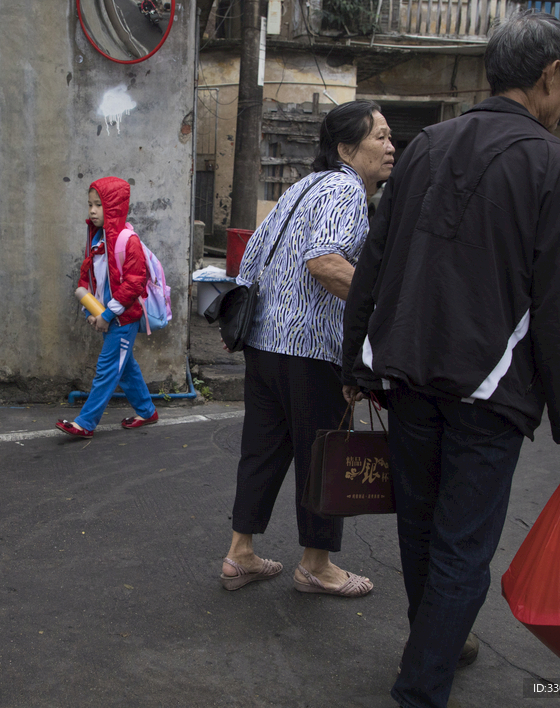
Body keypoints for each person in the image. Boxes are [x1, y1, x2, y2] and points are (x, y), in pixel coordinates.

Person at [341, 11, 560, 708]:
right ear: (550, 74)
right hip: (489, 392)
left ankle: (440, 638)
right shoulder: (554, 165)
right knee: (461, 546)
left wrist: (356, 361)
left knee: (423, 530)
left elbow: (376, 261)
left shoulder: (427, 144)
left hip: (410, 376)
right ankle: (420, 687)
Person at [218, 100, 395, 597]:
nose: (390, 146)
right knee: (325, 457)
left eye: (388, 136)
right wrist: (382, 308)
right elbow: (324, 262)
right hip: (311, 350)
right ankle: (317, 565)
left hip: (264, 344)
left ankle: (240, 553)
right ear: (346, 148)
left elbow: (250, 263)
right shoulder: (344, 188)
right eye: (379, 137)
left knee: (262, 451)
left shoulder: (299, 187)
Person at [55, 177, 157, 439]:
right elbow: (86, 277)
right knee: (126, 368)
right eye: (89, 204)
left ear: (113, 207)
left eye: (98, 205)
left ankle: (85, 423)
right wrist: (90, 312)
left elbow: (135, 284)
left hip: (123, 320)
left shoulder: (127, 241)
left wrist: (107, 314)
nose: (92, 210)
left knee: (108, 369)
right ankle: (147, 411)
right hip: (106, 317)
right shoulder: (97, 239)